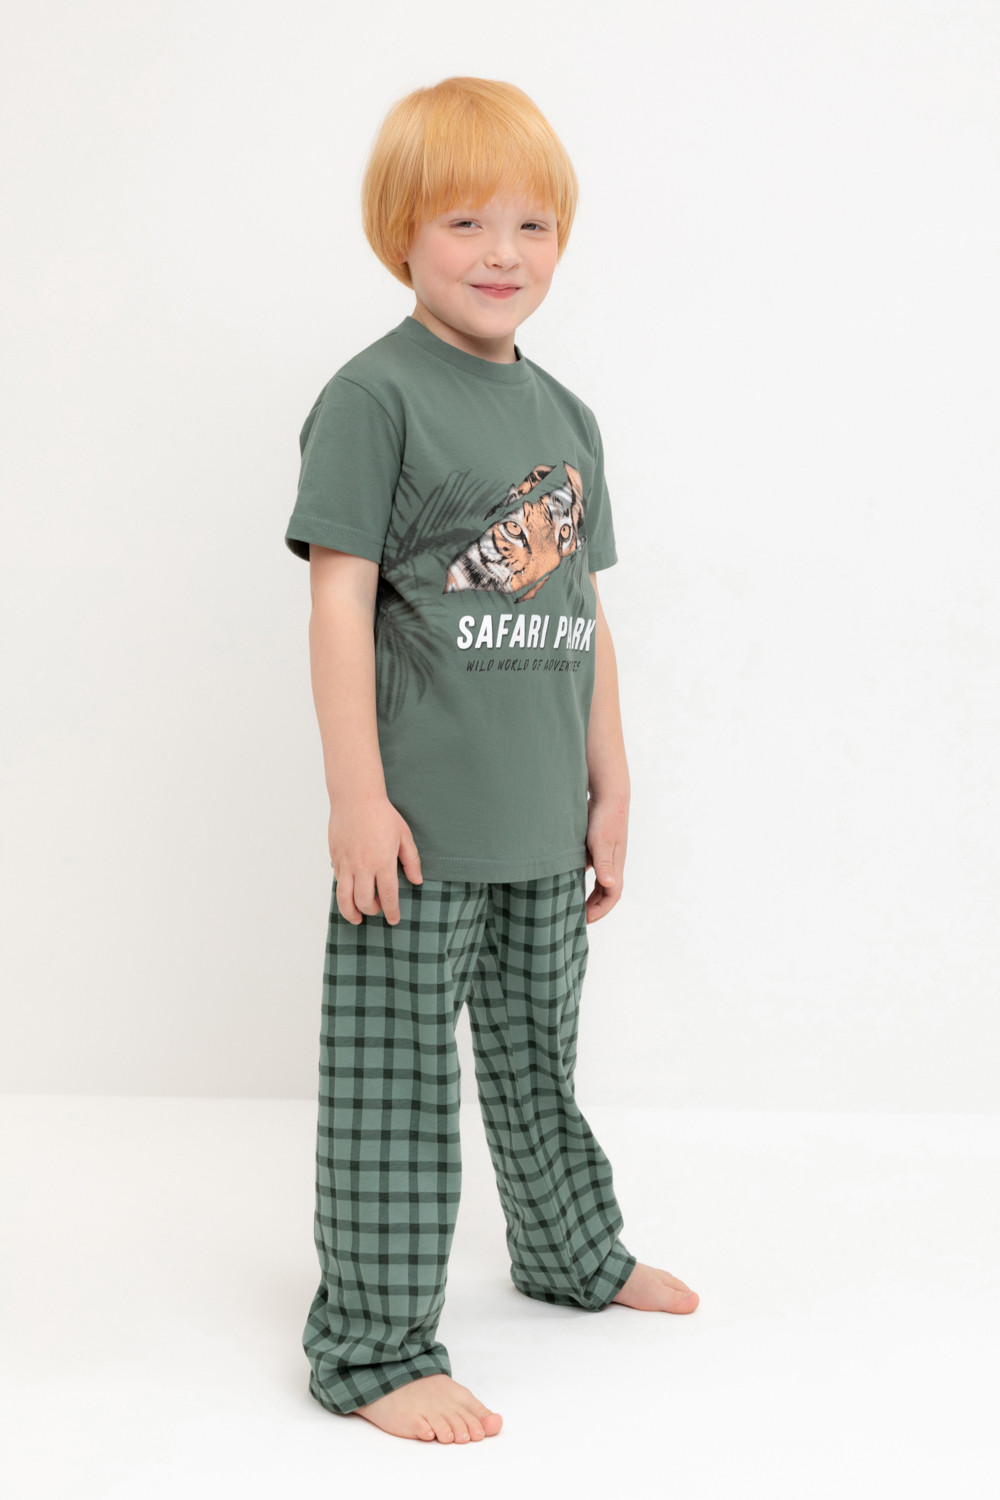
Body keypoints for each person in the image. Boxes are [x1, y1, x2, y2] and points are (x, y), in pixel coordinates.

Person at [283, 75, 699, 1446]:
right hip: (417, 830)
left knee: (538, 1060)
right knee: (397, 1088)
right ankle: (374, 1350)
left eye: (532, 224)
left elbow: (584, 611)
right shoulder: (375, 396)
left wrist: (610, 781)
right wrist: (358, 797)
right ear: (400, 234)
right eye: (464, 221)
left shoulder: (567, 419)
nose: (502, 252)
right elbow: (338, 601)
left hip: (538, 818)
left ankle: (572, 1252)